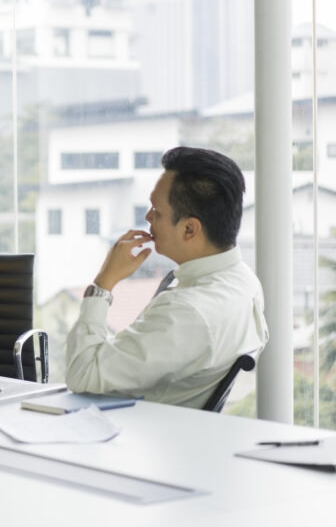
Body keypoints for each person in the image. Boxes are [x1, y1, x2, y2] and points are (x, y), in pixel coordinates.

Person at [65, 147, 269, 408]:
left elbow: (82, 374)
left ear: (189, 228)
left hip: (135, 435)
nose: (147, 217)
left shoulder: (186, 312)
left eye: (156, 211)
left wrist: (103, 283)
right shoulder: (244, 281)